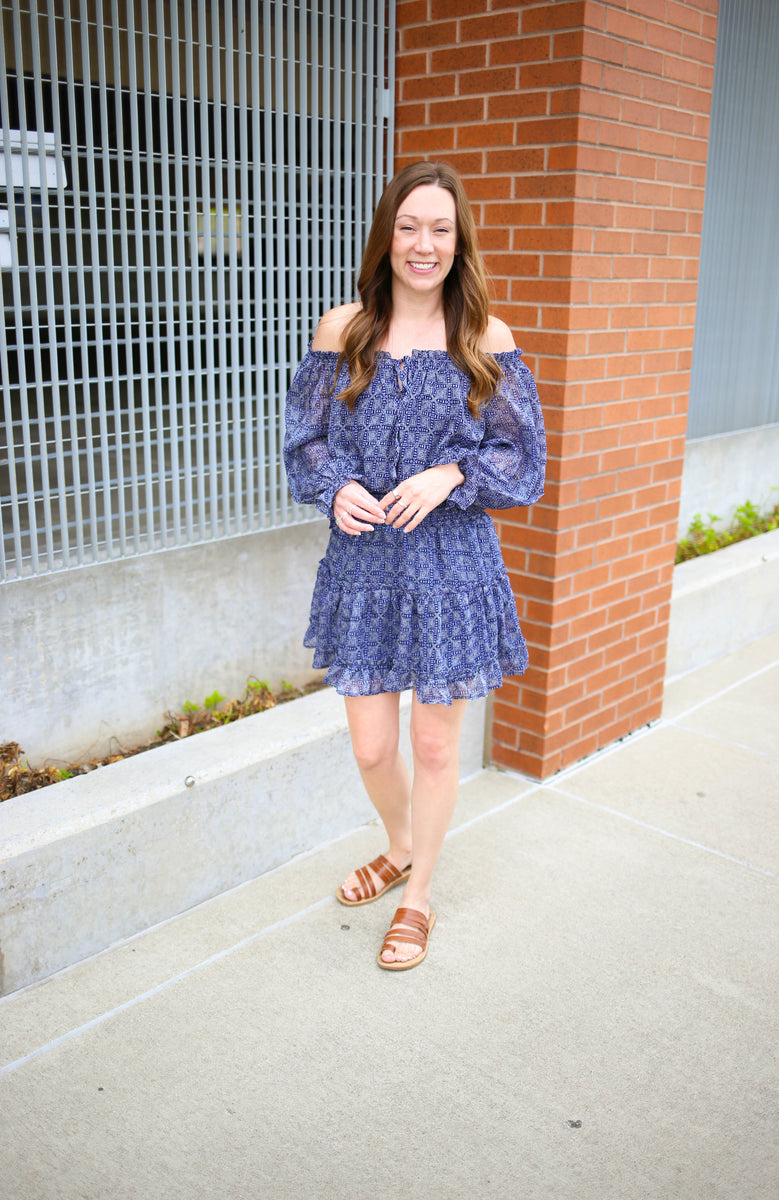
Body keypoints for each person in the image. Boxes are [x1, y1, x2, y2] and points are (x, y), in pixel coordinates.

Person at [283, 161, 546, 971]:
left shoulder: (484, 338)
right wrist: (335, 489)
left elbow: (523, 459)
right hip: (365, 562)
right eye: (409, 226)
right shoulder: (345, 328)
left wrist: (451, 474)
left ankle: (419, 893)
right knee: (370, 747)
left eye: (439, 227)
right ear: (386, 237)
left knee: (434, 748)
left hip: (452, 564)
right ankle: (398, 844)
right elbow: (306, 442)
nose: (423, 243)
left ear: (459, 239)